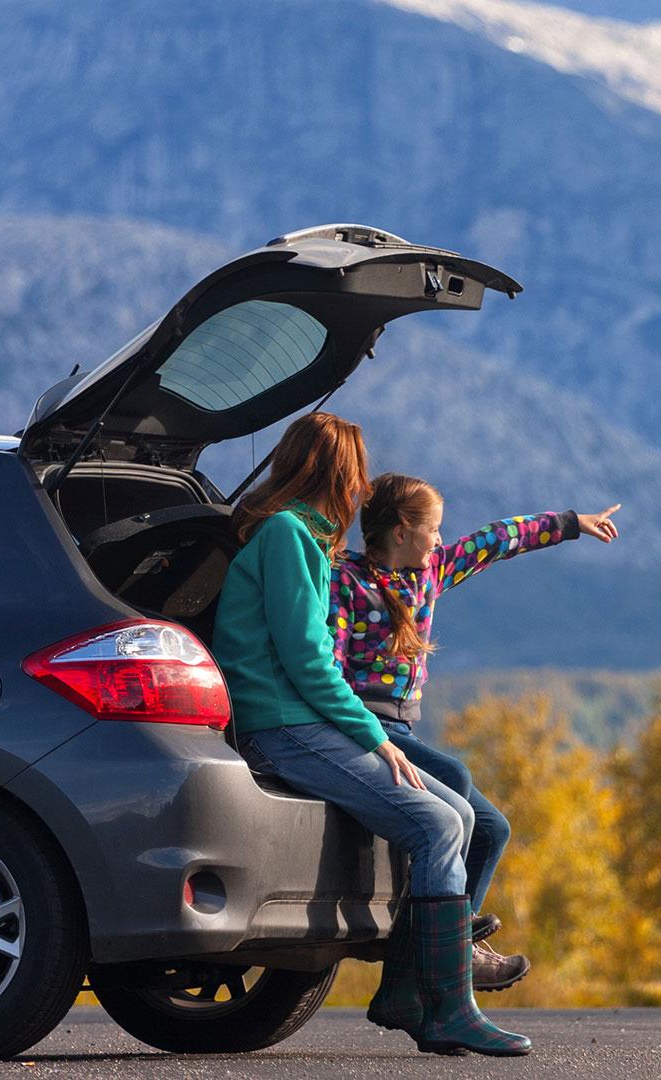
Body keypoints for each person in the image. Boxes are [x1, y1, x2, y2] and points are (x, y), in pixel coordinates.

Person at [209, 413, 529, 1057]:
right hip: (283, 726)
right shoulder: (287, 536)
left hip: (301, 720)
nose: (361, 490)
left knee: (463, 816)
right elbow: (307, 661)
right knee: (437, 824)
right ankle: (448, 1008)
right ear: (337, 473)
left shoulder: (300, 537)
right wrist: (375, 739)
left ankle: (412, 994)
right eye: (356, 473)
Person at [334, 472, 621, 1018]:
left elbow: (496, 539)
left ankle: (431, 957)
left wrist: (570, 524)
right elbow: (328, 666)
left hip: (404, 729)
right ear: (401, 531)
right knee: (457, 778)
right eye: (433, 529)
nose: (440, 540)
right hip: (366, 727)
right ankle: (448, 954)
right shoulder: (345, 582)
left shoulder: (431, 572)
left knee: (493, 829)